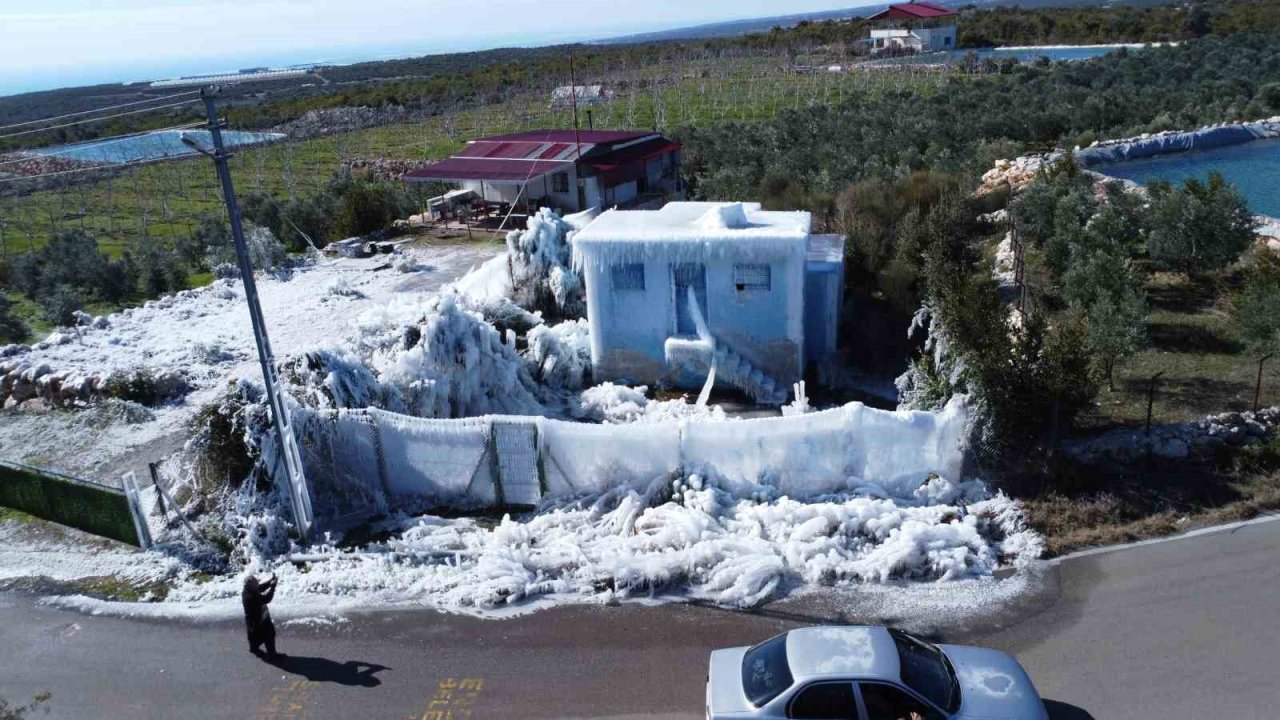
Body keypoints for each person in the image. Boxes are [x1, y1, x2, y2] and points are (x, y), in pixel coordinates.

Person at [241, 573, 280, 659]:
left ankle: (253, 648)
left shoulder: (247, 591)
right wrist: (273, 587)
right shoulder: (251, 597)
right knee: (269, 635)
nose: (257, 584)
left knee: (253, 635)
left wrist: (270, 582)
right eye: (255, 583)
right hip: (260, 620)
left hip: (251, 621)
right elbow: (267, 599)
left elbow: (259, 588)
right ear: (250, 585)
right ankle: (272, 655)